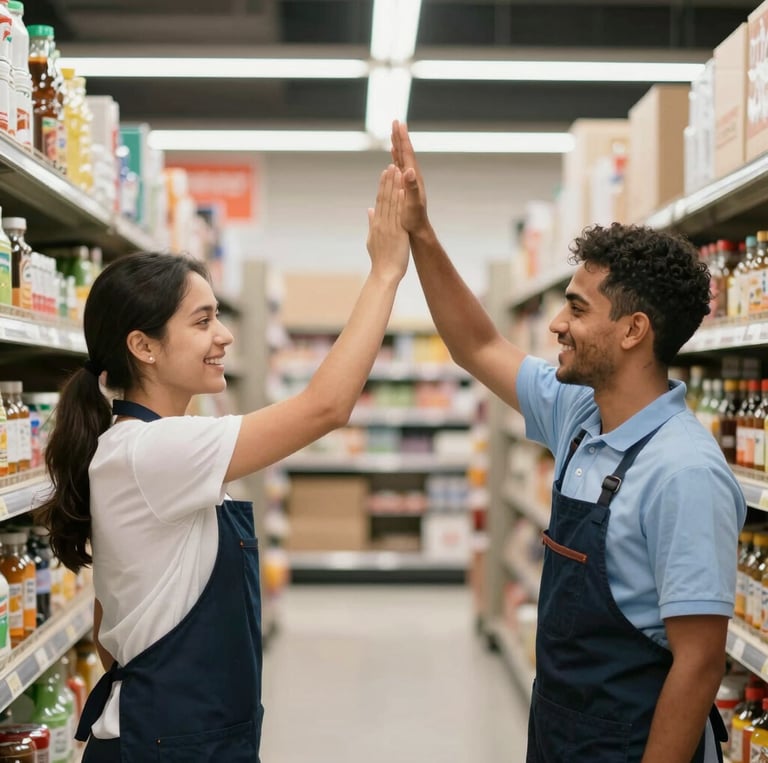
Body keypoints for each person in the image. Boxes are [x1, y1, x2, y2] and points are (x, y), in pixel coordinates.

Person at [390, 120, 746, 763]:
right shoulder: (578, 413)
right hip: (559, 735)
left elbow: (698, 666)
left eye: (577, 309)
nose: (556, 323)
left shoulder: (684, 471)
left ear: (634, 330)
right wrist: (419, 232)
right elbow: (476, 344)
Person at [36, 165, 409, 762]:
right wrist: (387, 272)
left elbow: (114, 618)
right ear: (144, 346)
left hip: (182, 734)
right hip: (170, 746)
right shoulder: (157, 450)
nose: (225, 336)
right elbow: (326, 407)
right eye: (203, 320)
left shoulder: (146, 444)